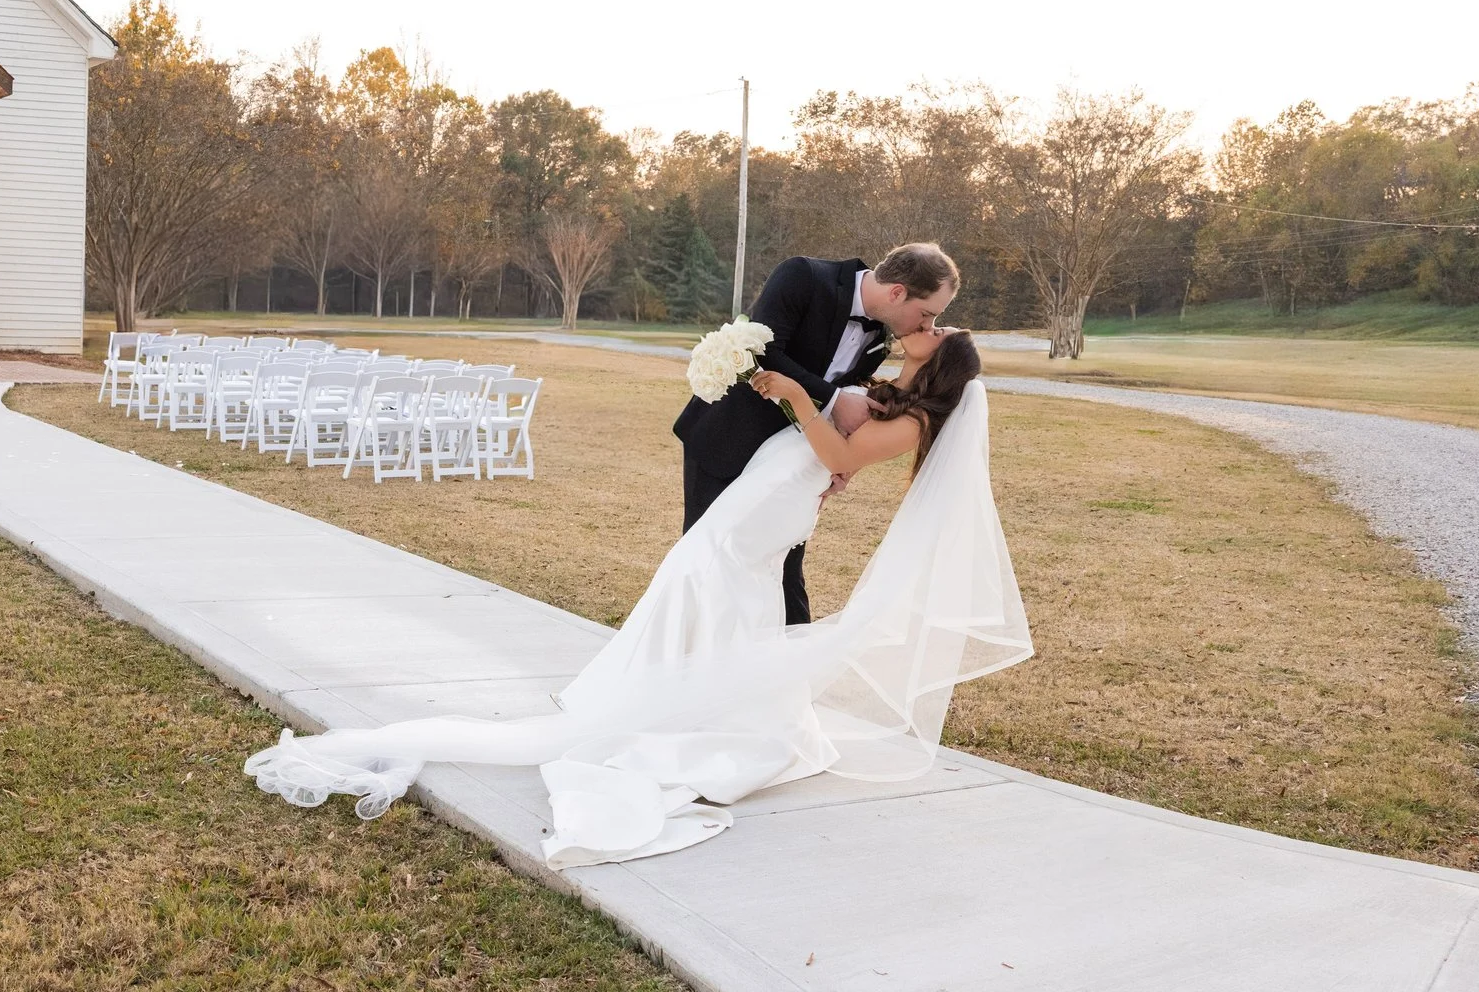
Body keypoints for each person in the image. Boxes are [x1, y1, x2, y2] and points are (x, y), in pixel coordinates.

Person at [246, 326, 1029, 868]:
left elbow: (835, 449)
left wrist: (797, 394)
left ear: (940, 363)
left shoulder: (914, 422)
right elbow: (839, 442)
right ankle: (695, 700)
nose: (926, 329)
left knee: (721, 577)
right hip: (770, 490)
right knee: (711, 581)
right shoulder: (891, 389)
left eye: (936, 333)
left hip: (778, 500)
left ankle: (701, 715)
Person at [674, 242, 960, 625]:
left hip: (792, 470)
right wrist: (834, 399)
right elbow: (765, 352)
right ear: (897, 293)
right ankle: (688, 653)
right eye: (926, 313)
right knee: (704, 561)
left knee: (784, 570)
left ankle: (789, 659)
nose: (926, 325)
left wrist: (844, 465)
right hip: (727, 441)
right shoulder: (804, 276)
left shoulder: (881, 337)